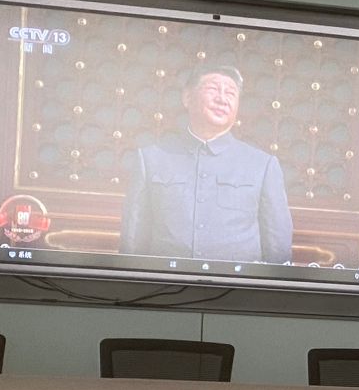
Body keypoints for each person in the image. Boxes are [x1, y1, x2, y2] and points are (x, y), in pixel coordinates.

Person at [119, 61, 293, 265]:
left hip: (235, 283)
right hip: (166, 281)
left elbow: (277, 245)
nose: (222, 99)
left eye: (231, 93)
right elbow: (133, 237)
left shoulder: (262, 165)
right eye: (213, 89)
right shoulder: (151, 159)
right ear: (187, 97)